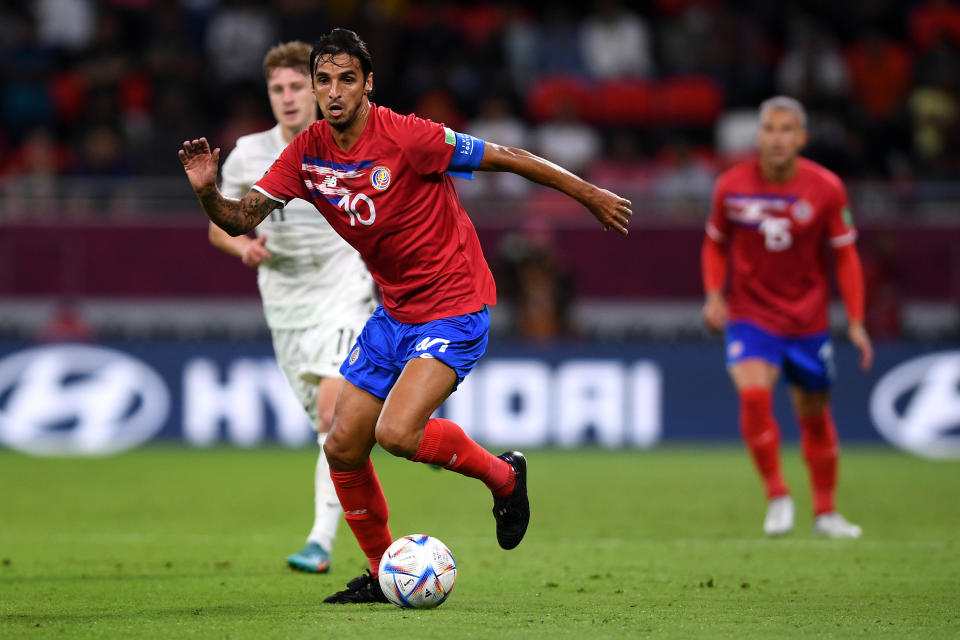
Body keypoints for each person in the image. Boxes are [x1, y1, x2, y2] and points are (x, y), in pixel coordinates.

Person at [180, 28, 631, 603]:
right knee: (342, 445)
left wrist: (589, 193)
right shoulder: (307, 152)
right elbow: (241, 219)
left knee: (396, 433)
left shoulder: (411, 137)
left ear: (369, 83)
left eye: (347, 79)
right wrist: (205, 193)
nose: (334, 91)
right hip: (394, 313)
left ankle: (505, 477)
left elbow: (510, 157)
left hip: (454, 306)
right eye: (325, 81)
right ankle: (379, 571)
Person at [205, 41, 376, 574]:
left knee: (333, 415)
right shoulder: (249, 153)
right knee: (329, 430)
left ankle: (320, 542)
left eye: (297, 86)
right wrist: (244, 246)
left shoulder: (341, 142)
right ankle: (398, 417)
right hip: (284, 306)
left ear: (318, 87)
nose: (287, 97)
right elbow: (220, 226)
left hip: (344, 289)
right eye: (277, 89)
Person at [701, 96, 873, 539]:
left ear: (802, 137)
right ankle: (778, 496)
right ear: (758, 136)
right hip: (750, 315)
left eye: (786, 130)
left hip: (807, 321)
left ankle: (825, 511)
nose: (777, 138)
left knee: (813, 416)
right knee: (755, 397)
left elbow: (847, 256)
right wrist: (714, 295)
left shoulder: (827, 188)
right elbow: (716, 243)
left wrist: (855, 320)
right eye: (770, 129)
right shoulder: (731, 185)